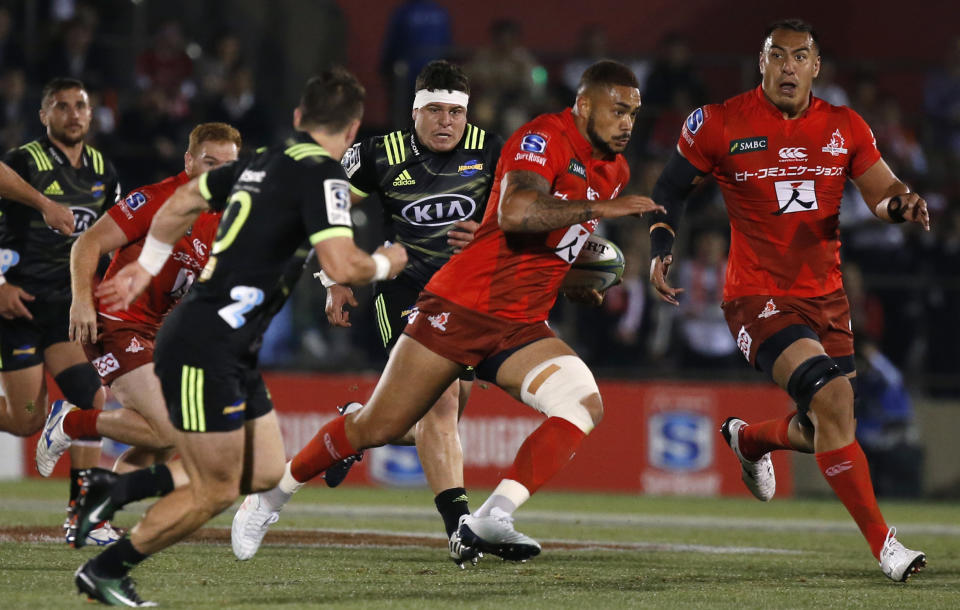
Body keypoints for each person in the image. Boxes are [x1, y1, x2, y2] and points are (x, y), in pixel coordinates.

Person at [233, 59, 661, 566]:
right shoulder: (542, 136)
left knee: (582, 403)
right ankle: (270, 497)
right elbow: (516, 212)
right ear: (584, 105)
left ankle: (491, 517)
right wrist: (334, 277)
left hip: (520, 321)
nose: (628, 123)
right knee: (380, 426)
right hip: (458, 302)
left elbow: (541, 242)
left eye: (633, 112)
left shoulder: (613, 170)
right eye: (617, 110)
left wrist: (572, 281)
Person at [69, 68, 407, 607]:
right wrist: (389, 260)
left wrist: (146, 263)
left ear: (299, 119)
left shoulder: (262, 161)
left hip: (229, 344)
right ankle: (106, 570)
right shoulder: (323, 177)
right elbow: (344, 261)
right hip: (209, 342)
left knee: (267, 470)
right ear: (352, 131)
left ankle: (116, 488)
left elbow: (181, 201)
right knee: (218, 488)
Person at [647, 19, 928, 583]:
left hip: (827, 300)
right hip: (756, 298)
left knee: (829, 421)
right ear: (761, 62)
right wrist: (662, 246)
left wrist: (904, 205)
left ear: (816, 68)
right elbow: (670, 187)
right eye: (778, 56)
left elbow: (882, 193)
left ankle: (749, 439)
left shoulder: (844, 126)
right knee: (828, 397)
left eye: (801, 57)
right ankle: (885, 545)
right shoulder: (721, 122)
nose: (789, 67)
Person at [232, 59, 503, 568]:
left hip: (470, 301)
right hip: (407, 293)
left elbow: (516, 219)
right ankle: (461, 531)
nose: (447, 122)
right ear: (415, 111)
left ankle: (354, 426)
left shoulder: (491, 151)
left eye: (456, 113)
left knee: (419, 421)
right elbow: (328, 212)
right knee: (441, 409)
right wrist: (333, 279)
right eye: (436, 111)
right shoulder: (378, 154)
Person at [35, 123, 241, 532]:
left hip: (159, 335)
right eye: (209, 162)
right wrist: (80, 300)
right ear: (189, 161)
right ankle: (70, 421)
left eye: (228, 166)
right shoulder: (156, 200)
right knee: (166, 430)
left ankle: (91, 518)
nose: (219, 173)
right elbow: (86, 244)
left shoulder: (224, 219)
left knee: (158, 448)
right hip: (116, 321)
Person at [0, 77, 121, 546]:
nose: (73, 114)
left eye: (81, 106)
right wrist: (2, 283)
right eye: (62, 106)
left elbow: (113, 236)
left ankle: (85, 517)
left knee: (92, 397)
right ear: (44, 115)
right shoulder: (24, 160)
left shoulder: (103, 171)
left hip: (64, 307)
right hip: (18, 303)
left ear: (91, 115)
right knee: (28, 419)